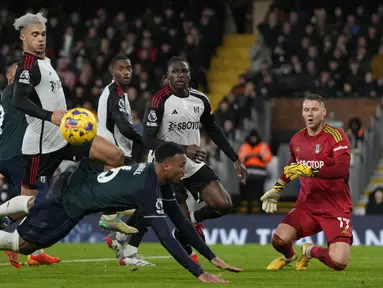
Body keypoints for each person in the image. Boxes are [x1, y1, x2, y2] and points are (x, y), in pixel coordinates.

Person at [0, 142, 242, 283]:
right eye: (181, 166)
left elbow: (181, 222)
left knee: (34, 204)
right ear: (165, 165)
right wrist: (198, 273)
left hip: (73, 181)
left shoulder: (155, 176)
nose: (184, 171)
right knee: (24, 246)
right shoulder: (147, 187)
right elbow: (166, 236)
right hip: (69, 203)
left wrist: (211, 257)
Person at [12, 12, 130, 264]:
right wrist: (49, 116)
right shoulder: (27, 66)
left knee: (115, 156)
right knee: (28, 205)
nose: (41, 39)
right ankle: (20, 243)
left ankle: (108, 216)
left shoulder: (45, 61)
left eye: (43, 34)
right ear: (23, 37)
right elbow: (18, 100)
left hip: (66, 136)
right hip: (40, 148)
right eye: (34, 35)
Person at [114, 56, 248, 265]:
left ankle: (187, 224)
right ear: (167, 77)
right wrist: (185, 149)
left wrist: (235, 158)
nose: (180, 75)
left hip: (192, 164)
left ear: (189, 75)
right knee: (154, 210)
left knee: (224, 204)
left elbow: (213, 128)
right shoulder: (159, 100)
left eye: (184, 71)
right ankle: (131, 246)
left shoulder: (200, 99)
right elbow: (148, 139)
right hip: (166, 166)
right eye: (175, 72)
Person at [261, 94, 352, 271]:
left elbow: (342, 169)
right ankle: (290, 256)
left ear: (323, 112)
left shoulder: (336, 136)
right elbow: (293, 165)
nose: (310, 114)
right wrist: (278, 188)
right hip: (307, 206)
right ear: (302, 113)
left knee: (339, 262)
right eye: (306, 110)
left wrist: (311, 171)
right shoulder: (296, 140)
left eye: (314, 109)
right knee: (279, 240)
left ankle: (309, 251)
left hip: (335, 207)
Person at [96, 53, 147, 250]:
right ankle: (112, 220)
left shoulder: (121, 94)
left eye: (129, 68)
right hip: (113, 153)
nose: (126, 72)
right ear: (112, 71)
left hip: (120, 153)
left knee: (145, 199)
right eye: (121, 68)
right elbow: (124, 127)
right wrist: (147, 141)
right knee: (150, 191)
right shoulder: (112, 93)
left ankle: (117, 237)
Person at [0, 59, 28, 268]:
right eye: (18, 73)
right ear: (9, 76)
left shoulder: (5, 97)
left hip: (6, 154)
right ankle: (13, 242)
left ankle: (6, 224)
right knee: (32, 201)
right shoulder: (14, 93)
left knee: (26, 202)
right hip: (15, 154)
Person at [238, 129, 272, 214]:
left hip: (260, 174)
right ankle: (249, 211)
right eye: (252, 137)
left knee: (260, 193)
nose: (253, 139)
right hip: (248, 174)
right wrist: (252, 157)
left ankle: (261, 211)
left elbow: (268, 157)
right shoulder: (244, 146)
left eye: (255, 137)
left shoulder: (263, 146)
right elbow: (240, 158)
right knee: (248, 194)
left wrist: (257, 157)